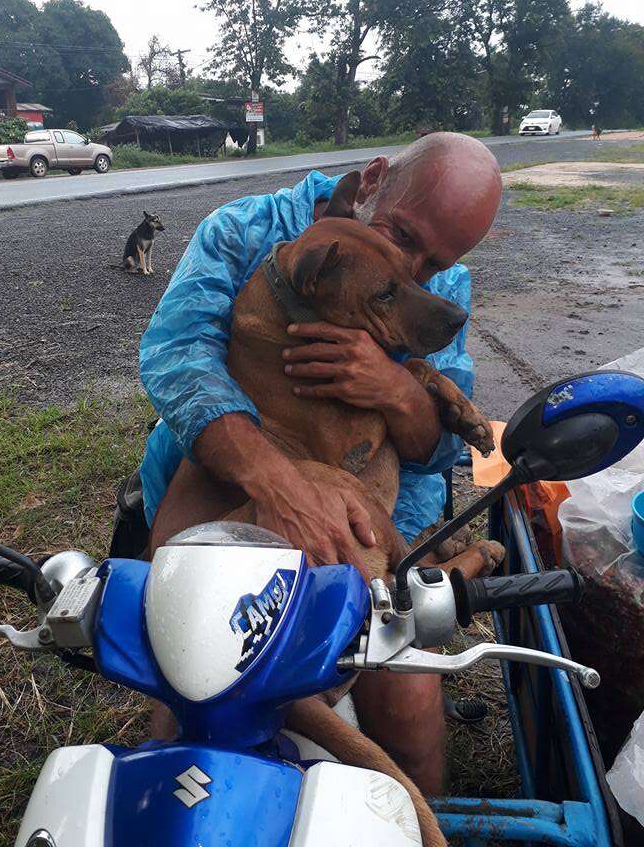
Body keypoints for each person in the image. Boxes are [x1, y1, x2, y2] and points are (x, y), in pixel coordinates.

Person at [138, 132, 502, 794]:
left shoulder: (441, 288)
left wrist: (394, 388)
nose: (414, 265)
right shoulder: (245, 230)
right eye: (403, 235)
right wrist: (278, 481)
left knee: (410, 712)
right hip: (225, 508)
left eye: (433, 261)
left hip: (377, 527)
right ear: (371, 181)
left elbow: (438, 450)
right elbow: (175, 357)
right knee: (191, 724)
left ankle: (421, 815)